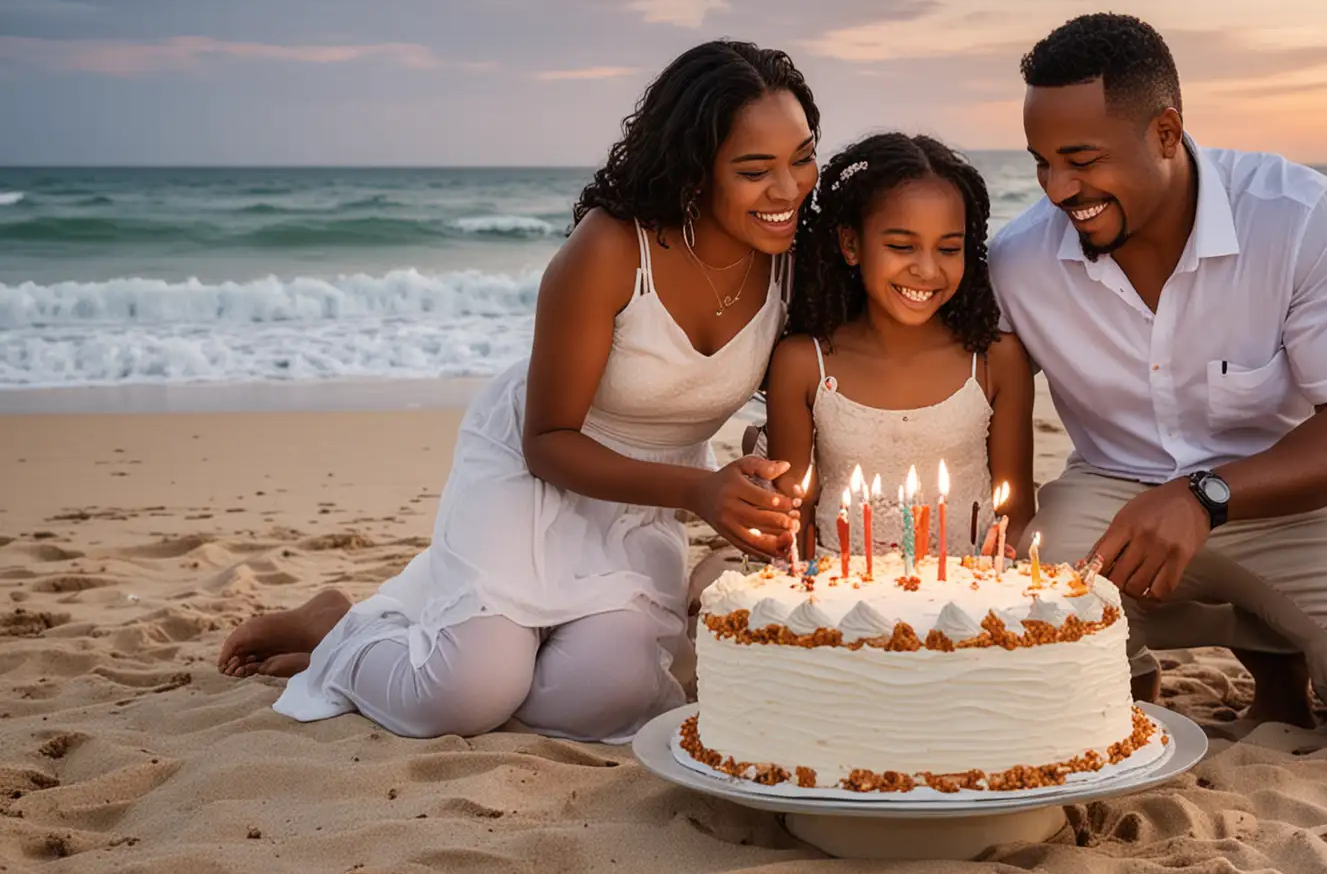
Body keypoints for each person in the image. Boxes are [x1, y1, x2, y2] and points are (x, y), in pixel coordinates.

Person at [217, 40, 817, 743]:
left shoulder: (793, 260)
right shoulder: (612, 250)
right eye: (755, 170)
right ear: (694, 171)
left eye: (803, 157)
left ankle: (458, 625)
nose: (789, 190)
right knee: (464, 698)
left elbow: (805, 388)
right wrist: (700, 494)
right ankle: (337, 628)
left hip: (640, 500)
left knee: (605, 700)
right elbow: (547, 442)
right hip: (535, 470)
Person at [989, 13, 1327, 741]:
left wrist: (1204, 496)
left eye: (1080, 159)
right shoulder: (1018, 262)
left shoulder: (1297, 216)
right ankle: (1129, 673)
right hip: (1113, 495)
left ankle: (1289, 652)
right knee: (1020, 649)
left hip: (1291, 496)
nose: (1057, 187)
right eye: (1040, 161)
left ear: (1166, 133)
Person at [765, 133, 1035, 566]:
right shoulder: (803, 364)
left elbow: (1016, 518)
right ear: (851, 244)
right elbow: (797, 522)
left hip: (969, 601)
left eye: (949, 248)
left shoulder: (995, 361)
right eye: (901, 246)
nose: (927, 269)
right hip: (841, 600)